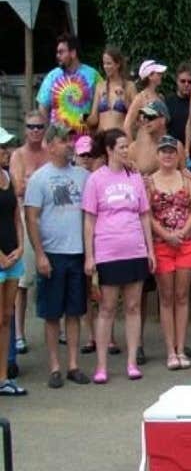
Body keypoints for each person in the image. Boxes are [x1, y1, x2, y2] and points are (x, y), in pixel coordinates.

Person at [81, 129, 156, 383]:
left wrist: (150, 250)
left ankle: (132, 361)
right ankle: (101, 365)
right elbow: (89, 220)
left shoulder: (134, 177)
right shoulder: (96, 180)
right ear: (110, 150)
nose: (126, 151)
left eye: (127, 146)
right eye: (122, 147)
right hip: (108, 251)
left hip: (134, 248)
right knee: (108, 307)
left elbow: (144, 214)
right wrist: (90, 256)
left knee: (133, 306)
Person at [24, 125, 90, 389]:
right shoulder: (39, 178)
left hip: (76, 251)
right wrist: (40, 254)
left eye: (70, 140)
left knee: (74, 311)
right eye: (63, 141)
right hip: (52, 252)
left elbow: (90, 215)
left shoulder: (83, 175)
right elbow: (32, 218)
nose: (69, 145)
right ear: (50, 145)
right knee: (52, 313)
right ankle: (54, 366)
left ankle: (73, 364)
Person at [147, 135, 191, 371]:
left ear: (178, 155)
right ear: (157, 155)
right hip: (161, 243)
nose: (167, 155)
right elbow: (146, 214)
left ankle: (181, 347)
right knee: (166, 298)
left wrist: (183, 232)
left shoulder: (185, 178)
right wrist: (167, 236)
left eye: (171, 151)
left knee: (182, 296)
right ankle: (170, 350)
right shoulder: (149, 182)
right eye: (163, 151)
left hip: (185, 242)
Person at [10, 111, 48, 355]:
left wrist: (31, 180)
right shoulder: (18, 155)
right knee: (22, 282)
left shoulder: (48, 153)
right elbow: (18, 188)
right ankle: (20, 333)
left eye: (39, 126)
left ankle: (59, 328)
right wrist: (37, 181)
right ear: (25, 129)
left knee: (53, 273)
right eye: (31, 126)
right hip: (25, 216)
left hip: (49, 217)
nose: (35, 130)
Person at [0, 134, 25, 396]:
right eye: (3, 147)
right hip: (0, 259)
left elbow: (16, 217)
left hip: (13, 257)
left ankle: (3, 378)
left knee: (6, 317)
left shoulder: (9, 178)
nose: (8, 151)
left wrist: (20, 247)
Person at [36, 33, 101, 132]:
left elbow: (104, 105)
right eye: (57, 52)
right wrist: (46, 136)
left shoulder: (93, 75)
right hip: (57, 140)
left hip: (83, 139)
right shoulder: (52, 76)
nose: (58, 56)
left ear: (73, 53)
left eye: (61, 52)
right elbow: (43, 107)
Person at [87, 47, 135, 133]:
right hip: (102, 138)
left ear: (118, 64)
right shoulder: (100, 86)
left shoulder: (129, 86)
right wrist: (83, 118)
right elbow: (94, 119)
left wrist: (124, 99)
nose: (105, 67)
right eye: (104, 63)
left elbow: (136, 117)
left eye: (109, 63)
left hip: (120, 138)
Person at [124, 60, 166, 139]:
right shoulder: (140, 98)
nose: (161, 75)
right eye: (158, 74)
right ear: (150, 76)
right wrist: (131, 147)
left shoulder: (160, 97)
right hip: (144, 142)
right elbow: (127, 125)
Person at [166, 62, 191, 147]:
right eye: (183, 81)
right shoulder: (168, 102)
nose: (186, 84)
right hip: (172, 151)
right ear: (177, 81)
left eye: (190, 82)